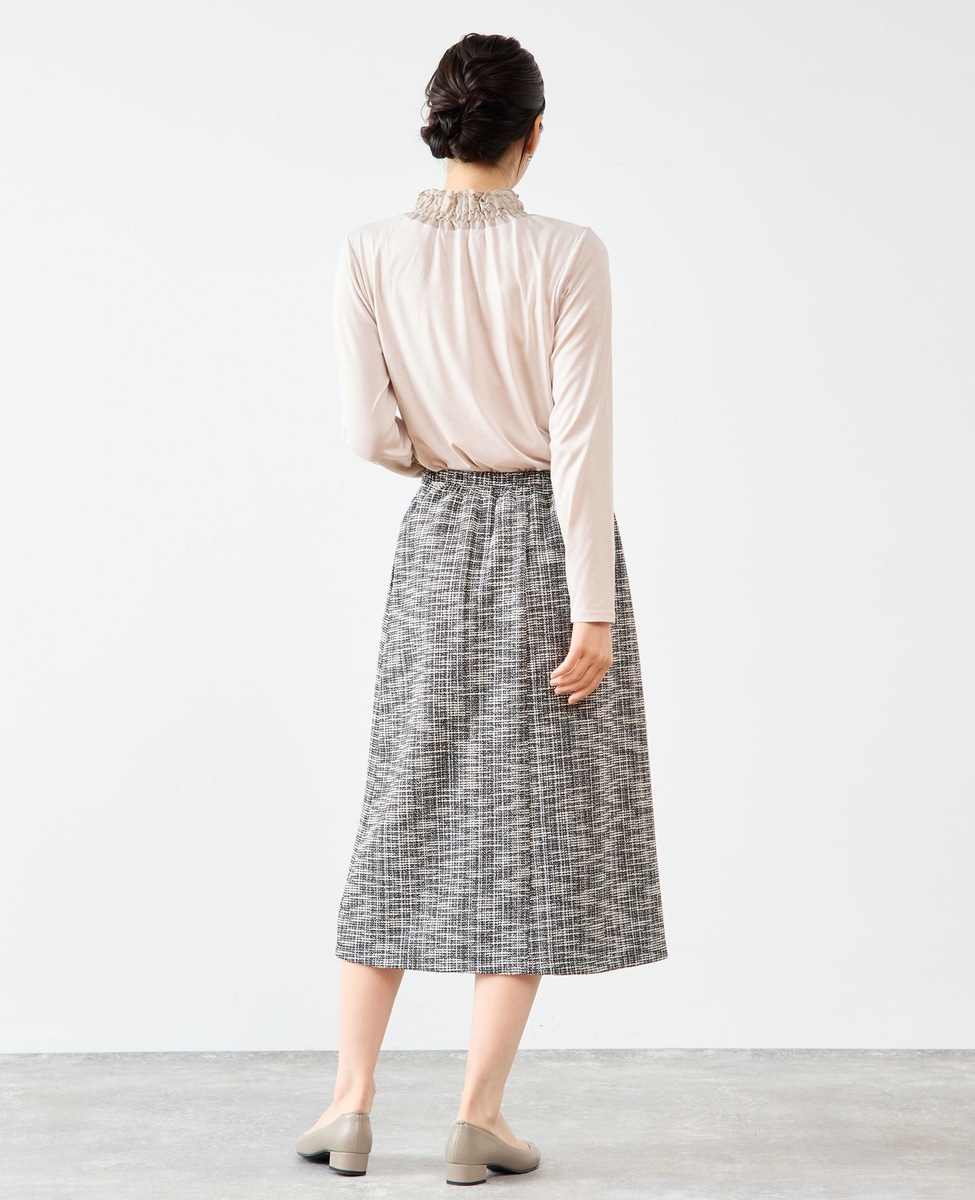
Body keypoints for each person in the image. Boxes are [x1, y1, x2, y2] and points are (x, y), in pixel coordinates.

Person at [294, 31, 668, 1186]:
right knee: (530, 825)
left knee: (403, 801)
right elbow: (581, 443)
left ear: (440, 125)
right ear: (534, 135)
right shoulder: (568, 252)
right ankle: (477, 1116)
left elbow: (365, 430)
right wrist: (593, 612)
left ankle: (350, 1105)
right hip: (551, 550)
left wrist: (441, 462)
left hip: (440, 537)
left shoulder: (371, 249)